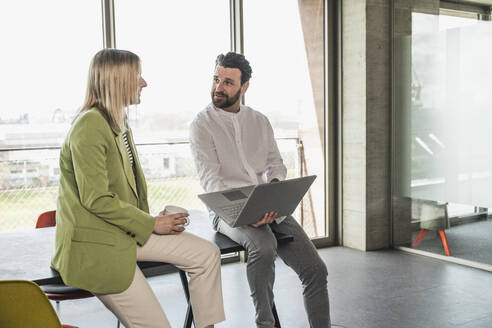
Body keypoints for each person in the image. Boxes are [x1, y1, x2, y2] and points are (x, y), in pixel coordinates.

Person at [51, 49, 225, 328]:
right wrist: (152, 223)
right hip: (97, 246)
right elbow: (96, 199)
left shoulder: (118, 122)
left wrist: (147, 217)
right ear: (117, 80)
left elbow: (122, 188)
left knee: (207, 254)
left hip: (124, 232)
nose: (144, 83)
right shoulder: (89, 126)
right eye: (137, 76)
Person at [189, 52, 331, 328]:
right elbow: (212, 182)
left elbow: (274, 163)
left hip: (266, 204)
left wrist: (275, 189)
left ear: (244, 87)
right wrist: (246, 213)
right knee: (264, 246)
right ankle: (265, 323)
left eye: (228, 82)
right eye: (216, 79)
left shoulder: (259, 120)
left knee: (316, 270)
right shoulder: (201, 125)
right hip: (226, 210)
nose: (219, 87)